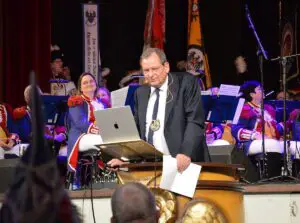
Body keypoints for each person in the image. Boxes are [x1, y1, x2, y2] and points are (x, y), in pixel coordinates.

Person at [109, 48, 209, 172]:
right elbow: (137, 132)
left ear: (166, 67)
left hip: (183, 164)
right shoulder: (140, 93)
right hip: (151, 167)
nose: (150, 74)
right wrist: (125, 159)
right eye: (146, 70)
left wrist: (186, 152)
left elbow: (195, 121)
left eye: (154, 69)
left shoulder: (186, 83)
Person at [231, 80, 283, 177]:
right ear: (252, 94)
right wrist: (254, 135)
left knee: (294, 146)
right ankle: (273, 179)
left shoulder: (268, 109)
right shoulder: (244, 108)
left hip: (271, 140)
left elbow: (274, 128)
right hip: (250, 143)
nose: (263, 90)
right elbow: (235, 129)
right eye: (259, 89)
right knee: (273, 144)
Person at [67, 72, 106, 173]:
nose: (89, 84)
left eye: (91, 81)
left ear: (95, 84)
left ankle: (114, 173)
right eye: (85, 83)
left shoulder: (101, 103)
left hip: (98, 134)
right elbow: (81, 123)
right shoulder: (76, 101)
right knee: (104, 140)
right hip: (80, 136)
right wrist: (100, 131)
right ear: (80, 88)